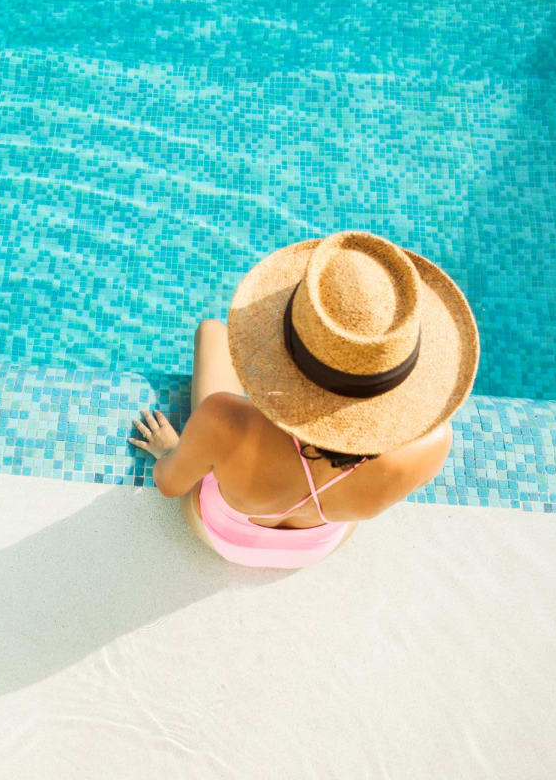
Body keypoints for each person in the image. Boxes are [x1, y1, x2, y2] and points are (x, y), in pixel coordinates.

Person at [129, 231, 480, 569]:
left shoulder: (225, 420)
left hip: (227, 537)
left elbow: (170, 485)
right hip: (318, 545)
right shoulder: (434, 443)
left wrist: (169, 450)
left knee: (211, 332)